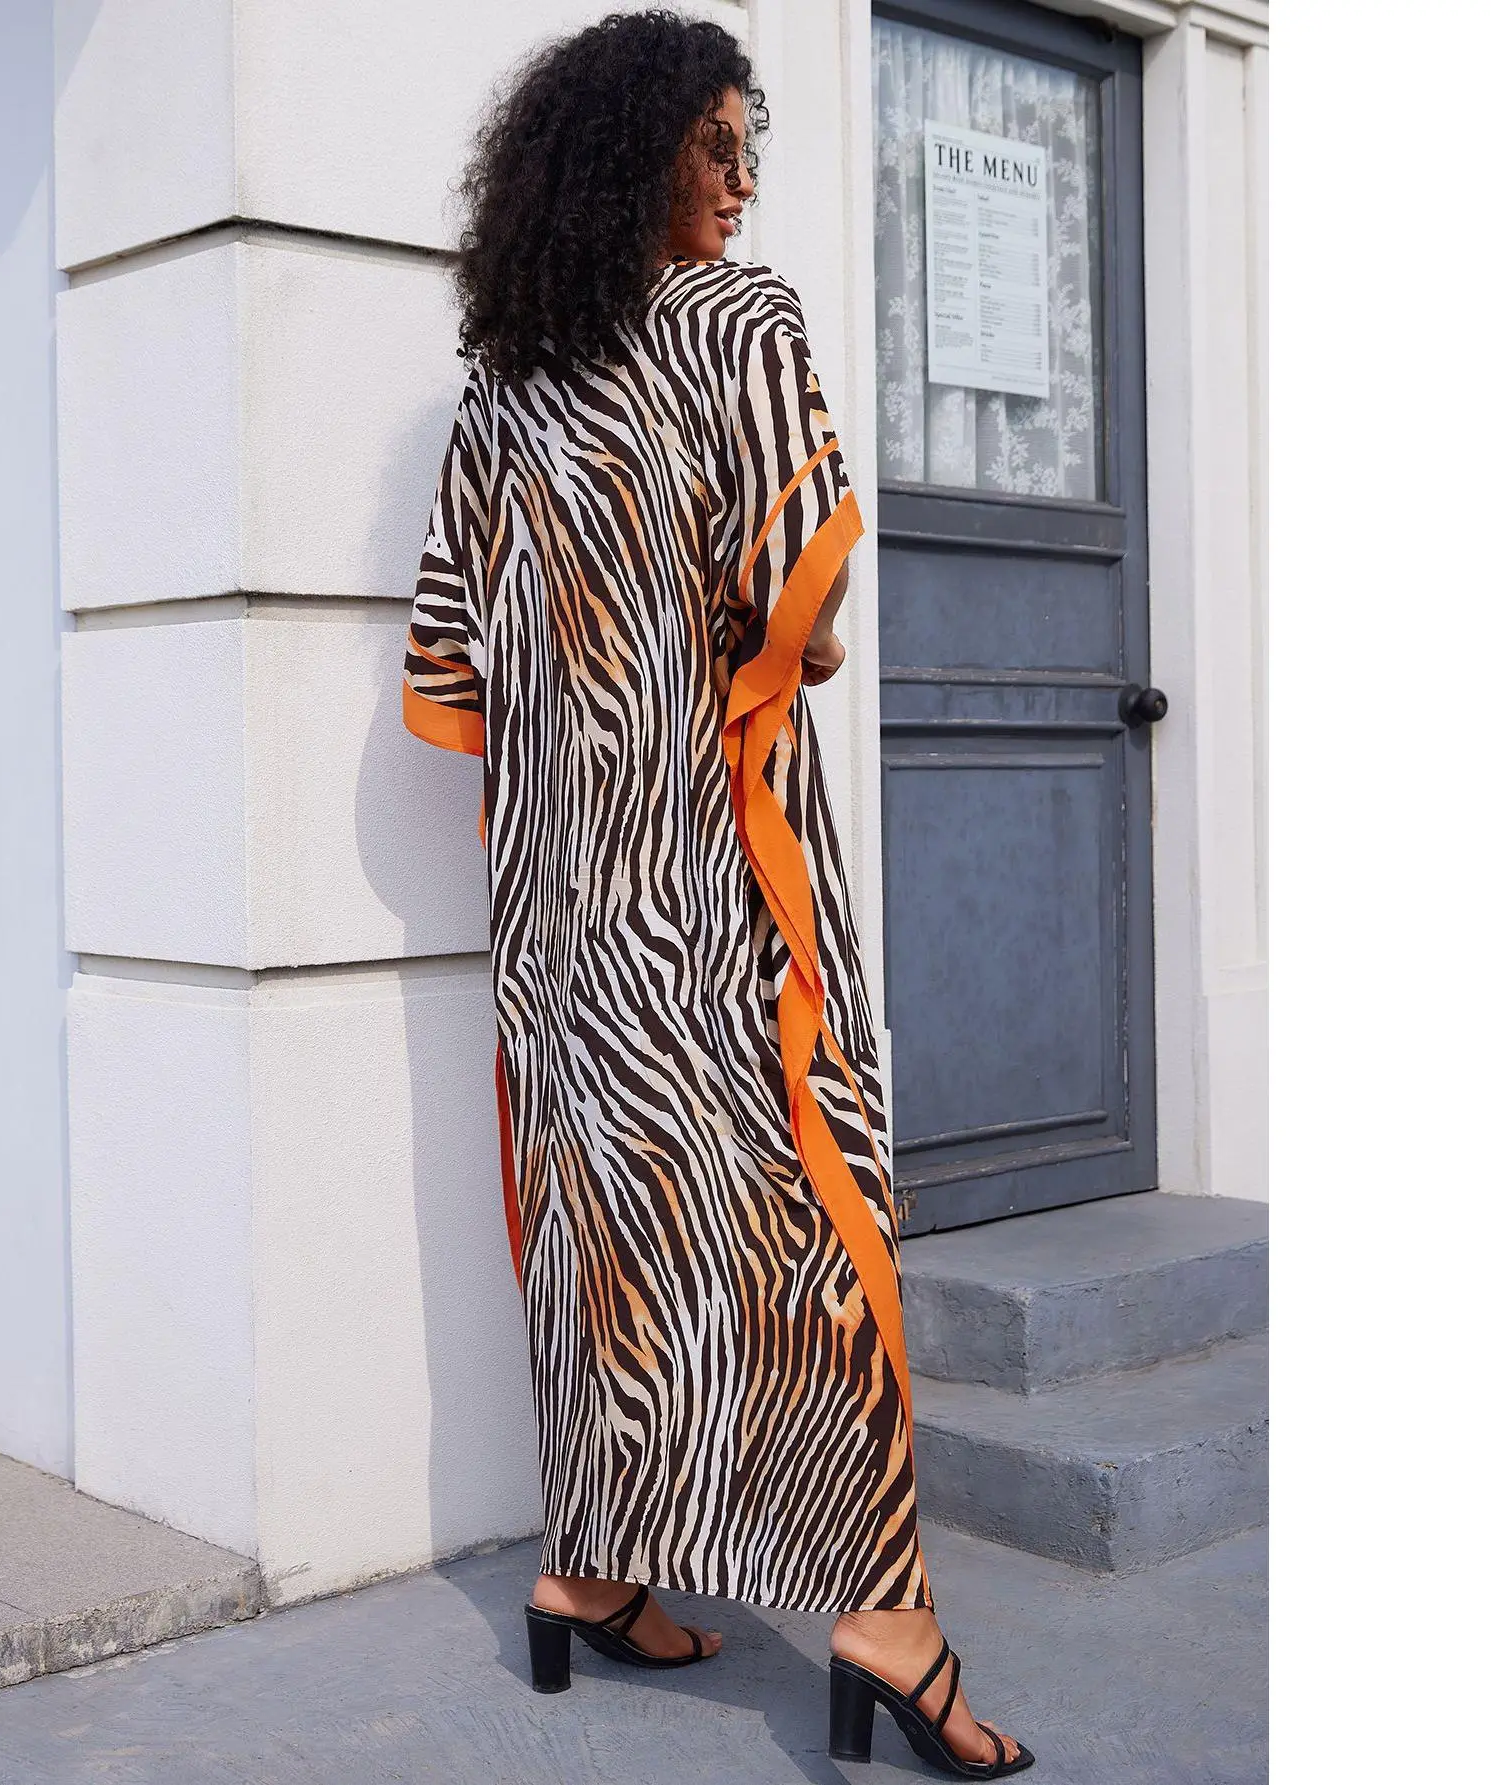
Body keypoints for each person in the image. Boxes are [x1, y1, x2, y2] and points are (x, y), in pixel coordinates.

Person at [400, 11, 1031, 1776]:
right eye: (713, 147)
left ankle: (590, 1571)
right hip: (721, 889)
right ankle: (886, 1619)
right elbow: (804, 609)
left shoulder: (504, 392)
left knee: (609, 1227)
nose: (742, 183)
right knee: (821, 1219)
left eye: (752, 146)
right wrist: (758, 647)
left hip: (561, 910)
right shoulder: (738, 323)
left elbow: (450, 674)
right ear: (636, 161)